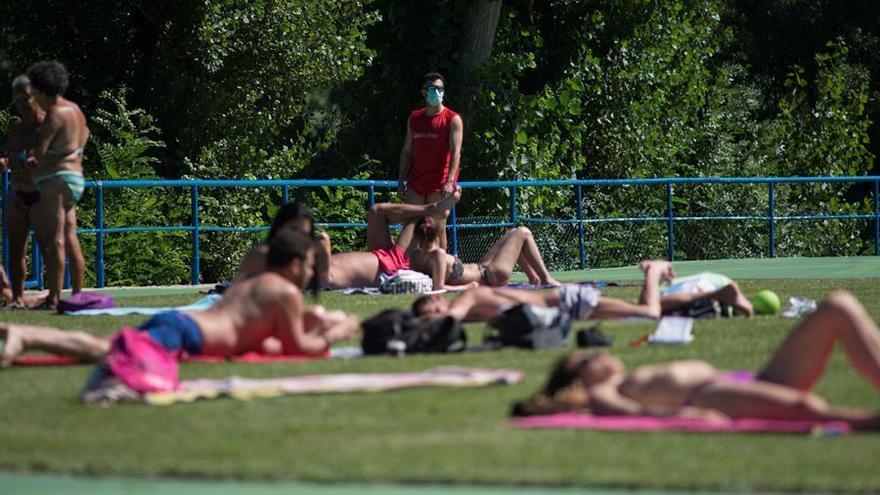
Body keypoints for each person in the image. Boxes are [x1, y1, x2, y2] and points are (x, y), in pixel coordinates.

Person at [511, 290, 880, 430]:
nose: (601, 354)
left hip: (744, 382)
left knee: (838, 306)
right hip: (710, 396)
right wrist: (682, 417)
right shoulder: (603, 390)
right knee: (807, 408)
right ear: (580, 378)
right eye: (589, 358)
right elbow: (631, 414)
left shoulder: (617, 379)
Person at [0, 230, 360, 367]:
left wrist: (317, 321)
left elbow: (262, 336)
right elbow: (298, 346)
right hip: (188, 335)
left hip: (183, 325)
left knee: (107, 346)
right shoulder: (284, 291)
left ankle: (25, 335)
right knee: (104, 351)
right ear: (295, 263)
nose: (310, 272)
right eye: (309, 265)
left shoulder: (257, 280)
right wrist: (336, 332)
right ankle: (26, 335)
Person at [412, 260, 751, 322]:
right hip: (564, 307)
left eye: (433, 310)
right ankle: (716, 298)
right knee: (646, 309)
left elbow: (449, 320)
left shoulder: (466, 298)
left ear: (438, 300)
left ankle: (654, 270)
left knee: (646, 312)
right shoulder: (471, 309)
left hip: (565, 303)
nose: (437, 314)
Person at [27, 61, 88, 309]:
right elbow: (85, 134)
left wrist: (26, 161)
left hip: (57, 180)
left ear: (42, 90)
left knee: (56, 240)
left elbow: (39, 153)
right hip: (74, 179)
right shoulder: (75, 110)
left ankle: (53, 298)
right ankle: (77, 294)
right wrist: (73, 153)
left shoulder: (54, 113)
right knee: (70, 236)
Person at [318, 194, 456, 289]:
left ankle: (430, 208)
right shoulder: (323, 278)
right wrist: (322, 247)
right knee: (420, 221)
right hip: (391, 266)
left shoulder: (311, 270)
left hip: (379, 255)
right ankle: (431, 211)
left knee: (376, 211)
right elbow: (326, 278)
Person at [397, 72, 463, 251]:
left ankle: (442, 268)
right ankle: (407, 267)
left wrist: (450, 181)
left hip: (440, 183)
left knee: (437, 228)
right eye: (432, 89)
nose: (436, 92)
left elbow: (456, 152)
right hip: (417, 182)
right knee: (411, 226)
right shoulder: (415, 118)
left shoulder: (452, 119)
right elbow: (406, 152)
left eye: (439, 89)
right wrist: (401, 179)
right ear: (423, 92)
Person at [409, 215, 561, 291]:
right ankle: (545, 278)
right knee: (523, 232)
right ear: (438, 234)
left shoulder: (416, 255)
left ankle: (534, 278)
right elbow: (439, 287)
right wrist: (467, 287)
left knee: (513, 234)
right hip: (490, 277)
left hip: (483, 269)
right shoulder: (438, 255)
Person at [1, 75, 50, 308]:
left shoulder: (51, 125)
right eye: (17, 100)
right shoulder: (17, 130)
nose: (21, 104)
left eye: (26, 99)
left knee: (51, 246)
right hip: (18, 192)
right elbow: (11, 158)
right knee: (15, 248)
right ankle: (16, 297)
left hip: (43, 193)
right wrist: (5, 162)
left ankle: (54, 296)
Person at [236, 200, 317, 279]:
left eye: (304, 234)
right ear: (279, 228)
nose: (298, 237)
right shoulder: (262, 255)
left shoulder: (307, 257)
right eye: (293, 230)